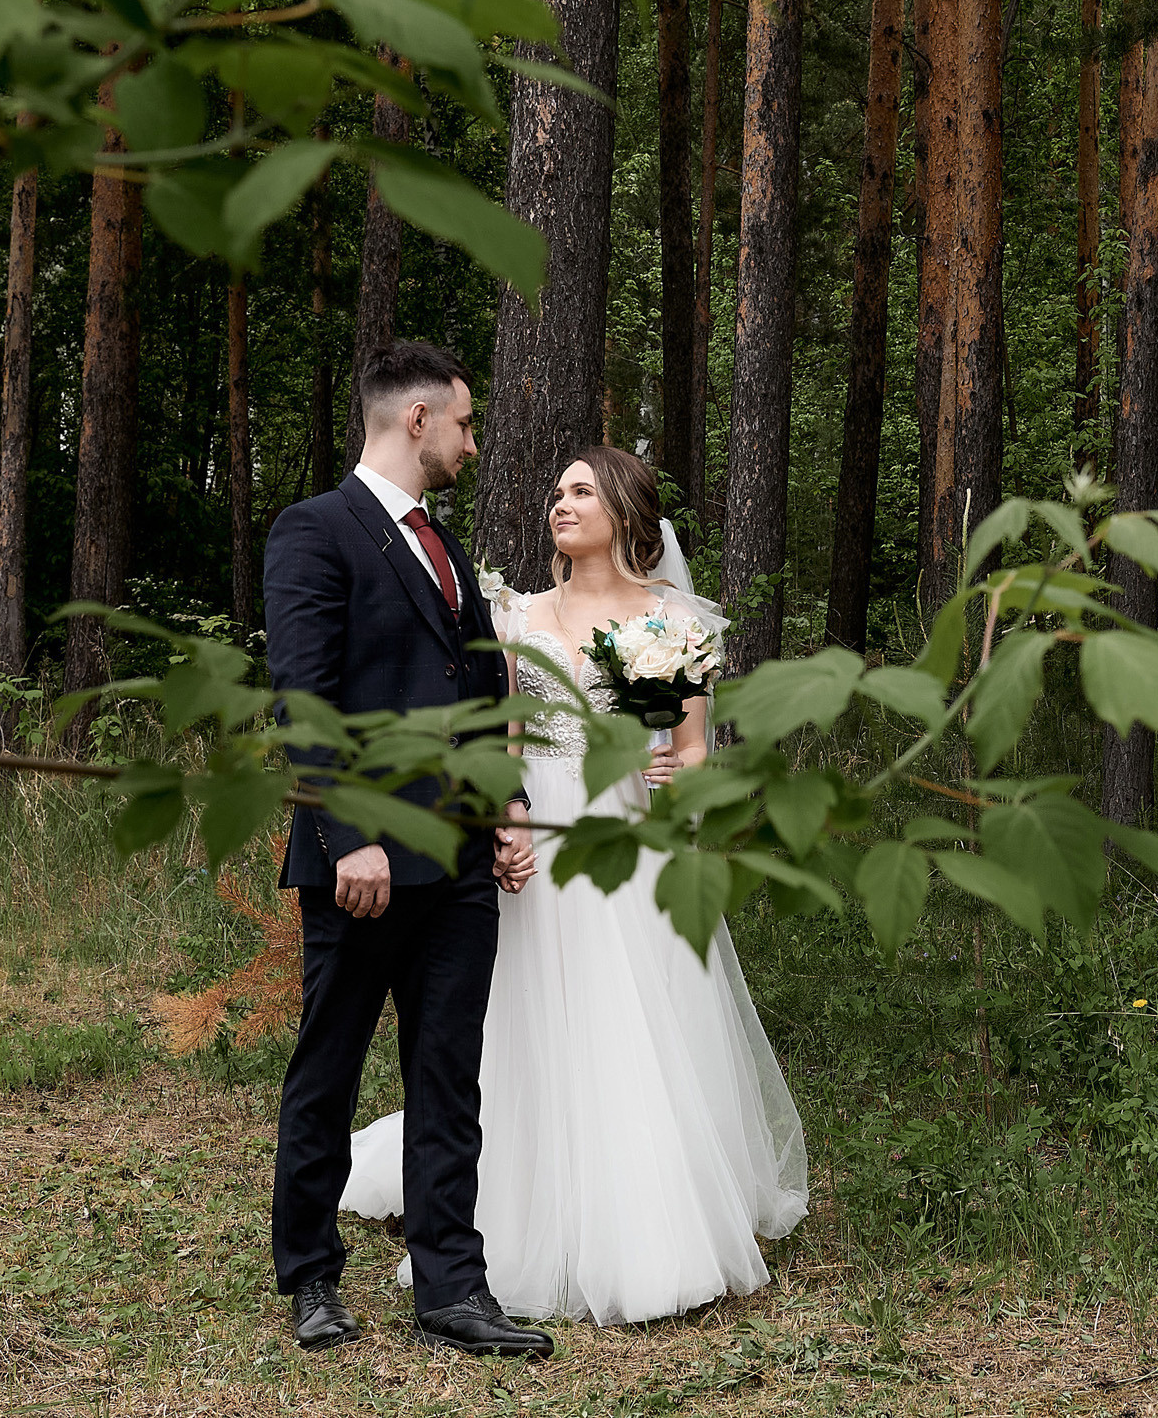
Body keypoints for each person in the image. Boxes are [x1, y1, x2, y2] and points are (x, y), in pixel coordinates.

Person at [340, 446, 809, 1327]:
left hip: (625, 827)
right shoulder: (517, 614)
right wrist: (504, 820)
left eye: (582, 491)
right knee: (526, 1010)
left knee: (626, 1009)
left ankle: (643, 1215)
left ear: (624, 513)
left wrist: (677, 773)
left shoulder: (672, 619)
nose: (561, 503)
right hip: (540, 823)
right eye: (557, 490)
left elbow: (695, 747)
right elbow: (507, 740)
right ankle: (513, 1204)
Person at [263, 342, 551, 1357]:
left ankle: (452, 1289)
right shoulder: (315, 530)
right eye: (465, 424)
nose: (473, 443)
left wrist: (507, 804)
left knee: (448, 1079)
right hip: (362, 869)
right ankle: (309, 1275)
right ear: (417, 419)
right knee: (329, 1073)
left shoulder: (447, 550)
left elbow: (476, 698)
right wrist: (352, 838)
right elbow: (303, 699)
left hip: (460, 869)